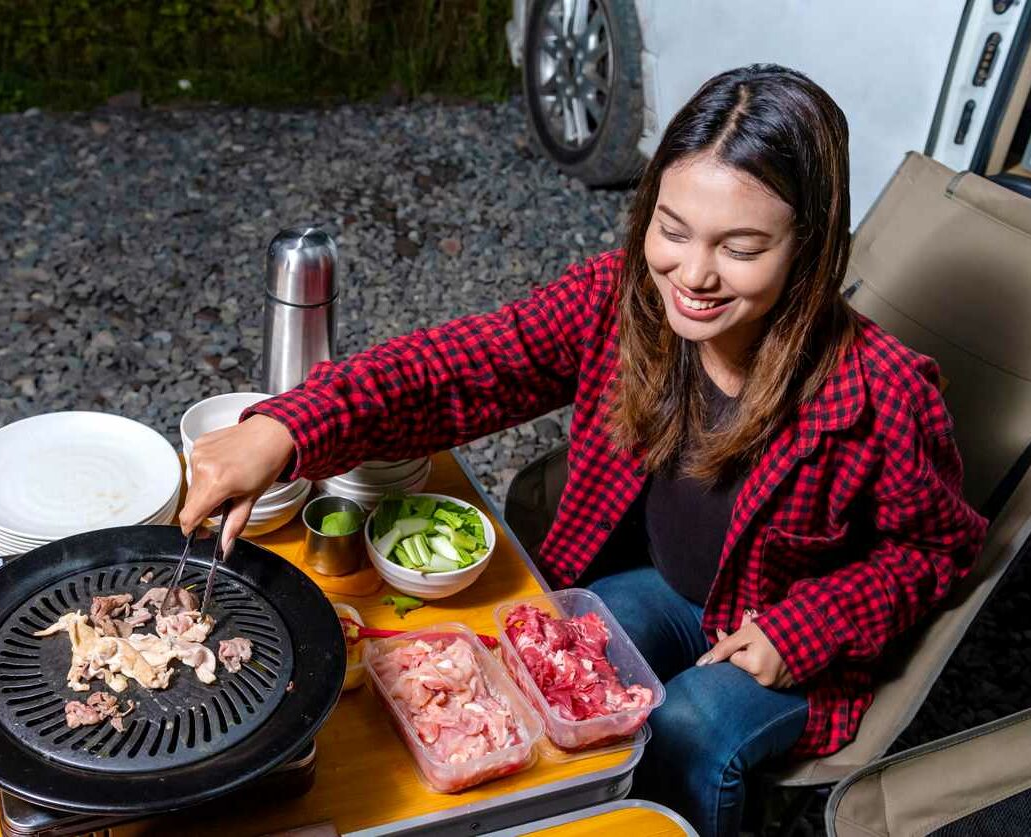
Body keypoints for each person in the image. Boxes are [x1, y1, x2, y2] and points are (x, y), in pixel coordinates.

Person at [179, 64, 987, 836]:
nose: (693, 275)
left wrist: (801, 628)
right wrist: (287, 427)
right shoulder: (626, 298)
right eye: (672, 231)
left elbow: (937, 550)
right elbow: (460, 365)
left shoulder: (884, 391)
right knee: (551, 648)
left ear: (809, 247)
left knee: (691, 721)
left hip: (784, 626)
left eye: (741, 249)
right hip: (666, 587)